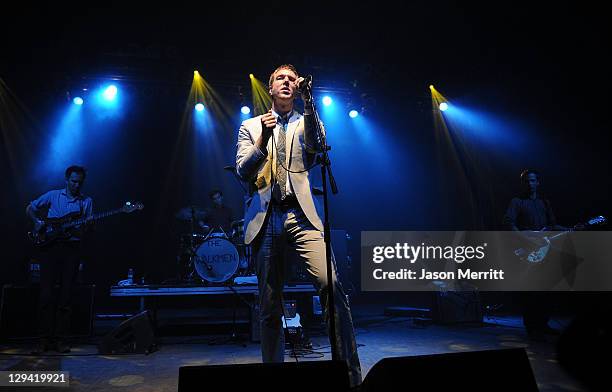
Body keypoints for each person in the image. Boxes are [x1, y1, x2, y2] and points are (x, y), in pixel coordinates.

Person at [235, 64, 361, 386]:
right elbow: (242, 171)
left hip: (302, 215)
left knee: (332, 287)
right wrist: (263, 137)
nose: (288, 82)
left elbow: (319, 147)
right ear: (270, 87)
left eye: (293, 79)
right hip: (267, 218)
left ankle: (348, 375)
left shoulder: (308, 120)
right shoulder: (250, 126)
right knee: (269, 305)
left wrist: (309, 103)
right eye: (281, 78)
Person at [26, 165, 93, 353]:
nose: (76, 185)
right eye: (73, 181)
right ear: (66, 179)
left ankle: (62, 339)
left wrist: (88, 225)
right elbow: (30, 208)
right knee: (46, 294)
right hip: (50, 249)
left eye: (79, 182)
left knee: (66, 295)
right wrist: (37, 222)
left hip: (71, 249)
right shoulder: (53, 195)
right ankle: (43, 339)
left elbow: (86, 230)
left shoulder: (86, 202)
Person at [504, 169, 568, 341]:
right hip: (527, 249)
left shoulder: (544, 202)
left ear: (537, 183)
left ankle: (543, 324)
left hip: (544, 249)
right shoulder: (517, 201)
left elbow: (552, 225)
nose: (529, 184)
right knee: (531, 289)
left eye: (532, 180)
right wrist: (526, 238)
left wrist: (570, 229)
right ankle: (531, 327)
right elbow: (509, 224)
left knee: (547, 287)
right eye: (526, 181)